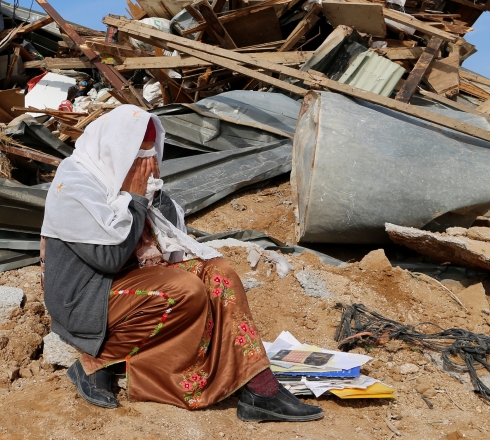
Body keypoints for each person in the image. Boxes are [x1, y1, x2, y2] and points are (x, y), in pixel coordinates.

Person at [41, 105, 322, 422]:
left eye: (151, 157)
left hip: (127, 284)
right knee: (185, 290)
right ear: (113, 152)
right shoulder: (74, 189)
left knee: (219, 271)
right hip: (83, 299)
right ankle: (96, 362)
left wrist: (146, 197)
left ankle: (260, 388)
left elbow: (166, 237)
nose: (148, 167)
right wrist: (135, 198)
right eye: (138, 159)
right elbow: (109, 259)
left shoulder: (123, 180)